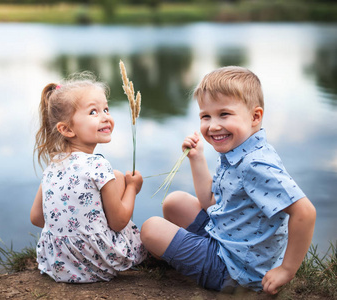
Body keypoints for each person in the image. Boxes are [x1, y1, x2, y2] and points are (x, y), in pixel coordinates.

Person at [140, 66, 316, 294]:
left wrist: (287, 269)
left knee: (150, 229)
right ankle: (186, 254)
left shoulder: (256, 164)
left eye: (224, 114)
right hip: (225, 239)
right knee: (174, 202)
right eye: (206, 116)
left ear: (255, 117)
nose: (213, 126)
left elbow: (305, 212)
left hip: (235, 271)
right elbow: (211, 202)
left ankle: (190, 261)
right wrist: (197, 158)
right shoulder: (239, 151)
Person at [30, 72, 147, 283]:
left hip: (57, 265)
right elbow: (120, 222)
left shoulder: (53, 165)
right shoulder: (98, 165)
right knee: (123, 183)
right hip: (96, 264)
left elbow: (36, 218)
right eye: (93, 112)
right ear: (66, 129)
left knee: (116, 177)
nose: (105, 117)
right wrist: (132, 188)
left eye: (106, 109)